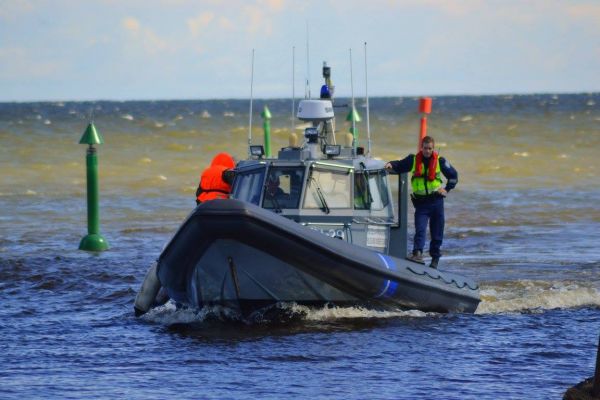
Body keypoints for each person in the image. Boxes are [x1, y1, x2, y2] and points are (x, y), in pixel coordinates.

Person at [385, 136, 458, 269]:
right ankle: (417, 254)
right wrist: (391, 164)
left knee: (437, 232)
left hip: (436, 201)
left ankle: (435, 259)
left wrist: (446, 189)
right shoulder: (413, 160)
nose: (427, 151)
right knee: (420, 229)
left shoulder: (440, 161)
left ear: (433, 149)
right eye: (425, 148)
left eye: (430, 148)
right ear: (421, 147)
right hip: (422, 204)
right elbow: (400, 165)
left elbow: (453, 176)